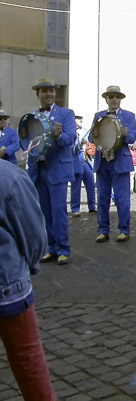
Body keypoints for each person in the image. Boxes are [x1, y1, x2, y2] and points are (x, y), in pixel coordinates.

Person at [0, 159, 58, 401]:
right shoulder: (8, 176)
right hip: (8, 287)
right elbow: (35, 237)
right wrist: (31, 266)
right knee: (28, 359)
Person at [27, 78, 76, 266]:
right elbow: (27, 143)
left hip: (58, 168)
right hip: (39, 169)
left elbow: (70, 139)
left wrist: (58, 135)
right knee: (44, 212)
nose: (49, 94)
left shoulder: (66, 114)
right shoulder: (31, 116)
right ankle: (51, 247)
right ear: (37, 94)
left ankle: (63, 249)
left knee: (59, 210)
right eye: (44, 91)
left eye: (51, 90)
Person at [89, 85, 136, 242]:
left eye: (117, 97)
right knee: (102, 199)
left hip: (120, 162)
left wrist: (126, 134)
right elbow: (91, 138)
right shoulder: (98, 116)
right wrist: (95, 134)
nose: (114, 99)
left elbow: (132, 138)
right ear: (106, 99)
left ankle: (124, 230)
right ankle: (103, 230)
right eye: (111, 97)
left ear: (121, 99)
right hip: (102, 162)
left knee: (122, 200)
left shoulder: (129, 116)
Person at [70, 115, 97, 216]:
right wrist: (80, 144)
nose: (81, 121)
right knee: (76, 186)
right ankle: (75, 209)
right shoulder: (71, 133)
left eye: (81, 120)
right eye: (79, 120)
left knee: (91, 184)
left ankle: (92, 206)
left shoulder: (85, 130)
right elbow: (71, 149)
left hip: (87, 160)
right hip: (77, 160)